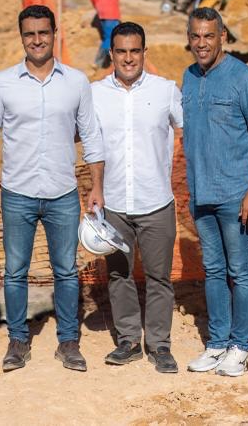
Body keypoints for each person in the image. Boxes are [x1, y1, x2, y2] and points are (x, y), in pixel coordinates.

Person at [0, 4, 105, 373]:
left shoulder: (77, 82)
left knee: (66, 271)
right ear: (21, 37)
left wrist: (97, 186)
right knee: (16, 271)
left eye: (43, 32)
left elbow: (91, 136)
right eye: (29, 34)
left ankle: (68, 342)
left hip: (63, 192)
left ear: (55, 34)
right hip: (17, 192)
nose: (37, 40)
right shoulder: (2, 83)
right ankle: (17, 341)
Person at [182, 7, 248, 378]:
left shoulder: (245, 79)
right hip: (202, 195)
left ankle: (240, 344)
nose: (201, 43)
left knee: (241, 270)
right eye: (195, 36)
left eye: (209, 36)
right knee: (213, 270)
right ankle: (217, 343)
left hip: (237, 196)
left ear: (223, 37)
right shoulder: (188, 78)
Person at [91, 22, 183, 373]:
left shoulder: (166, 91)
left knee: (160, 277)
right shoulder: (95, 94)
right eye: (121, 51)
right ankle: (129, 340)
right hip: (113, 203)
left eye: (135, 51)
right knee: (119, 275)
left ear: (145, 53)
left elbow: (190, 128)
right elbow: (83, 140)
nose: (128, 58)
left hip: (156, 201)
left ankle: (159, 344)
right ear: (111, 54)